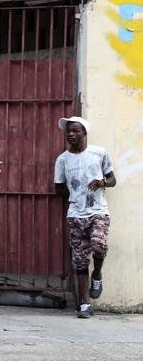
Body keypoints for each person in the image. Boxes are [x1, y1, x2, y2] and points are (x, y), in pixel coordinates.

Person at [54, 116, 116, 319]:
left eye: (75, 130)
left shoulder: (99, 153)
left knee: (99, 245)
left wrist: (101, 182)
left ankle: (97, 274)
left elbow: (112, 179)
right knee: (80, 261)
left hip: (98, 211)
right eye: (68, 131)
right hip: (75, 215)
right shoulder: (62, 160)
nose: (71, 134)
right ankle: (85, 305)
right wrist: (76, 195)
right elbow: (58, 188)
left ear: (84, 133)